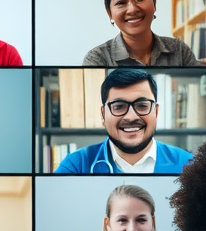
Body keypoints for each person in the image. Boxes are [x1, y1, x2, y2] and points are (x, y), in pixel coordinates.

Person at [54, 68, 193, 174]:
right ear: (103, 115)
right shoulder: (76, 165)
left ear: (156, 111)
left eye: (142, 106)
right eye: (119, 107)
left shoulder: (189, 165)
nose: (131, 117)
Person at [82, 0, 204, 67]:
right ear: (110, 13)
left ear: (154, 3)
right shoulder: (97, 59)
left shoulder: (179, 50)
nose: (132, 9)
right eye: (121, 2)